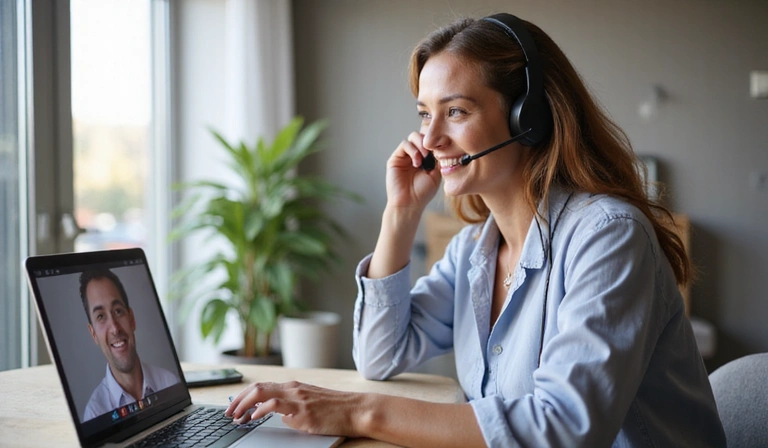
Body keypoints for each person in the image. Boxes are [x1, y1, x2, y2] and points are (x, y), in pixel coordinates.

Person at [226, 13, 726, 447]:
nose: (430, 138)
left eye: (456, 111)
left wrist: (357, 410)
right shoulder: (474, 251)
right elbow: (379, 356)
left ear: (528, 117)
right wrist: (400, 214)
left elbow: (565, 428)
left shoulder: (608, 237)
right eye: (425, 114)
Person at [80, 269, 178, 421]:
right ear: (93, 334)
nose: (114, 328)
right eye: (101, 316)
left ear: (131, 319)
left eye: (118, 311)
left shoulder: (169, 382)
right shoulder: (95, 413)